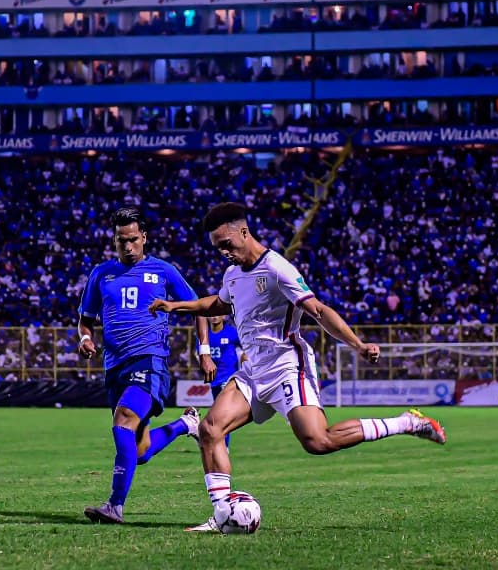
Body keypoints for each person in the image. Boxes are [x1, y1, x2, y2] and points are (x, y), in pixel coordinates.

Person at [149, 202, 446, 533]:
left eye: (226, 244)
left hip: (287, 367)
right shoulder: (232, 274)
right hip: (254, 371)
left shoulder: (277, 269)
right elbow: (218, 303)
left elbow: (318, 310)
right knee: (210, 429)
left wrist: (358, 345)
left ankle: (406, 422)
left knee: (318, 441)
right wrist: (177, 305)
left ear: (244, 232)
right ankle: (222, 515)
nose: (223, 252)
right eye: (218, 247)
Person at [80, 207, 215, 525]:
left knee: (124, 419)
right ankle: (185, 425)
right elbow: (86, 320)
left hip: (149, 361)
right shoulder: (101, 274)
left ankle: (114, 506)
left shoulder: (163, 271)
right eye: (121, 240)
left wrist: (204, 351)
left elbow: (198, 307)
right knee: (138, 450)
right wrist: (85, 339)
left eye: (133, 239)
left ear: (144, 237)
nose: (127, 246)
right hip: (114, 367)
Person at [204, 316, 243, 447]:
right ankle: (215, 441)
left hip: (228, 378)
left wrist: (246, 356)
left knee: (222, 415)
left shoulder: (232, 332)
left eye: (218, 314)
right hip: (214, 379)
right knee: (218, 414)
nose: (214, 316)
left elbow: (246, 346)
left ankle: (223, 447)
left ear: (224, 316)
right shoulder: (204, 335)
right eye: (211, 314)